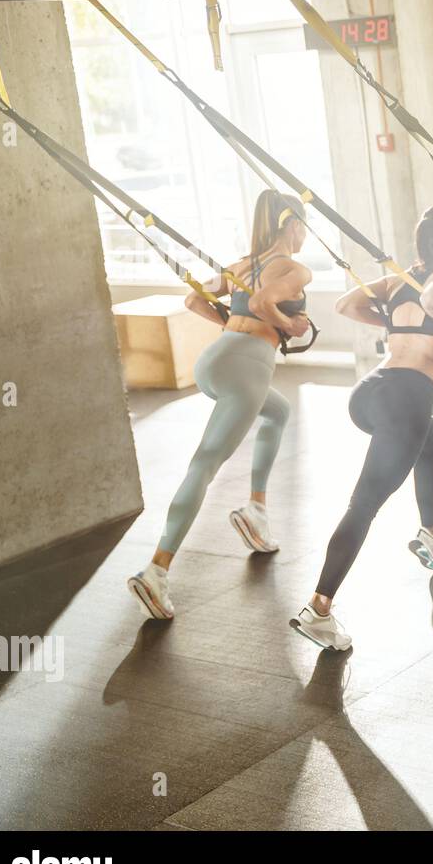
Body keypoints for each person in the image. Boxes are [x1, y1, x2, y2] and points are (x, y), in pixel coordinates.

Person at [290, 205, 433, 651]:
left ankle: (429, 535)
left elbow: (345, 303)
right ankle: (319, 608)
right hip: (405, 398)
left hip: (371, 392)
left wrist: (392, 319)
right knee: (364, 504)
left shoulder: (398, 281)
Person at [127, 189, 312, 619]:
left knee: (278, 411)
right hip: (247, 366)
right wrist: (290, 325)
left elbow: (194, 299)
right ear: (294, 225)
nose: (305, 238)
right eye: (305, 229)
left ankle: (257, 508)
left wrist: (235, 321)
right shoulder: (294, 268)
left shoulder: (241, 265)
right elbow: (267, 302)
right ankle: (157, 569)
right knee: (204, 464)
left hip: (215, 360)